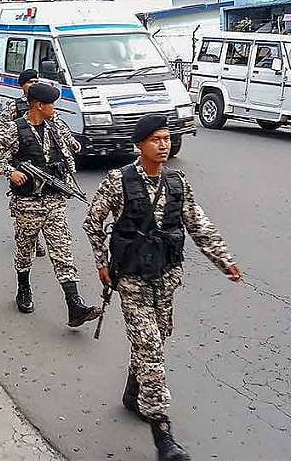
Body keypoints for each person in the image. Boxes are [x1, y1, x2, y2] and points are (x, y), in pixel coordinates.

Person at [82, 113, 243, 461]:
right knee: (151, 349)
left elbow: (198, 223)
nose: (164, 144)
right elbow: (92, 222)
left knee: (156, 340)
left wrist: (223, 260)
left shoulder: (177, 184)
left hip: (166, 280)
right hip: (133, 282)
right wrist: (100, 262)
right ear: (140, 145)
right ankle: (163, 435)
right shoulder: (118, 182)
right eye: (156, 139)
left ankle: (133, 390)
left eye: (167, 138)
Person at [0, 83, 100, 327]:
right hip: (27, 203)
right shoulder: (14, 130)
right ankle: (23, 288)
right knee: (25, 249)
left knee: (62, 250)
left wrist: (73, 147)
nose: (55, 108)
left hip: (55, 200)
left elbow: (71, 144)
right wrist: (10, 171)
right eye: (52, 104)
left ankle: (74, 305)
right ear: (39, 105)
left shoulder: (56, 126)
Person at [0, 69, 80, 259]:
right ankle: (30, 239)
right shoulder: (14, 108)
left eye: (36, 81)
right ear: (22, 85)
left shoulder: (48, 109)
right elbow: (1, 135)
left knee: (50, 206)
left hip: (45, 164)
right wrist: (11, 168)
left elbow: (58, 128)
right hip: (22, 161)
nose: (33, 84)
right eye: (29, 82)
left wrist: (72, 143)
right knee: (28, 208)